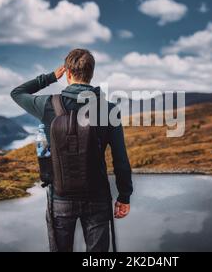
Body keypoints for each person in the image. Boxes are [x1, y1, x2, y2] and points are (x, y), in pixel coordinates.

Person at [10, 48, 133, 252]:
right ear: (91, 73)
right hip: (98, 197)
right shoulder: (109, 109)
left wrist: (49, 77)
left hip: (60, 197)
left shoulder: (48, 104)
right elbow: (121, 159)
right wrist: (124, 196)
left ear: (67, 73)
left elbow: (17, 93)